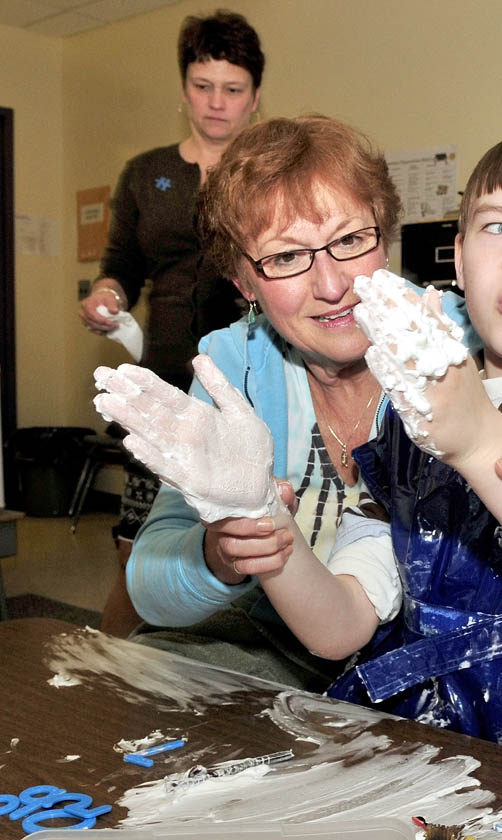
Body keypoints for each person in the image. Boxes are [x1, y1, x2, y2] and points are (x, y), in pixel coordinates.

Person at [94, 115, 502, 694]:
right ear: (244, 278)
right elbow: (159, 577)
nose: (331, 284)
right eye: (286, 258)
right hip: (322, 663)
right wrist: (234, 544)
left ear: (386, 239)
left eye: (350, 240)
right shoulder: (233, 366)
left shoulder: (466, 339)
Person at [77, 10, 265, 636]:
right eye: (203, 85)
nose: (216, 103)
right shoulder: (146, 173)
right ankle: (113, 678)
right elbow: (122, 265)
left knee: (246, 546)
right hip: (163, 388)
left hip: (252, 381)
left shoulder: (269, 174)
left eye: (233, 89)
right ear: (183, 88)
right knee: (142, 552)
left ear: (255, 97)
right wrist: (108, 294)